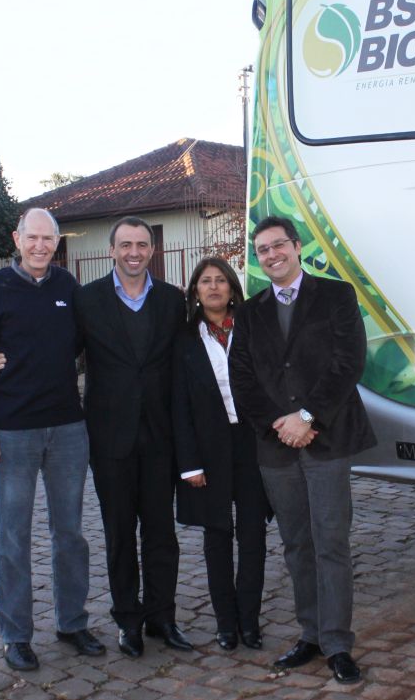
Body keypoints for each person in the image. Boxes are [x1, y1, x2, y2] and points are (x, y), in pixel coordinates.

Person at [229, 215, 376, 685]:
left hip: (326, 438)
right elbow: (243, 379)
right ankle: (310, 634)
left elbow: (348, 362)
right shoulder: (250, 313)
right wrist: (280, 424)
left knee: (331, 542)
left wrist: (308, 417)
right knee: (296, 544)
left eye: (278, 246)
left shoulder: (335, 296)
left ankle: (337, 643)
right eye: (262, 250)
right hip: (277, 447)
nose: (271, 255)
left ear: (296, 246)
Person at [0, 208, 105, 672]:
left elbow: (86, 345)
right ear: (17, 239)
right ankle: (16, 636)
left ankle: (72, 621)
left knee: (70, 535)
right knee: (13, 537)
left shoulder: (68, 288)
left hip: (68, 428)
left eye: (49, 238)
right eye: (33, 237)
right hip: (13, 431)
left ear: (58, 242)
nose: (41, 245)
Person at [73, 216, 190, 657]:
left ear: (153, 250)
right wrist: (3, 360)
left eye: (142, 244)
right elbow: (58, 352)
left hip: (161, 438)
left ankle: (163, 617)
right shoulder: (87, 300)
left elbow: (186, 363)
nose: (134, 252)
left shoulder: (172, 301)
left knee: (162, 534)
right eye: (126, 244)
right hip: (110, 441)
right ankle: (128, 620)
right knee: (120, 534)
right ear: (112, 250)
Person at [172, 257, 272, 651]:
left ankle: (249, 622)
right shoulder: (183, 339)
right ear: (195, 291)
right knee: (217, 537)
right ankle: (225, 624)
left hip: (251, 444)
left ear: (232, 287)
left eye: (220, 281)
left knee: (253, 536)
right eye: (205, 281)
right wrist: (189, 464)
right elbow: (178, 404)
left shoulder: (253, 329)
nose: (213, 287)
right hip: (208, 449)